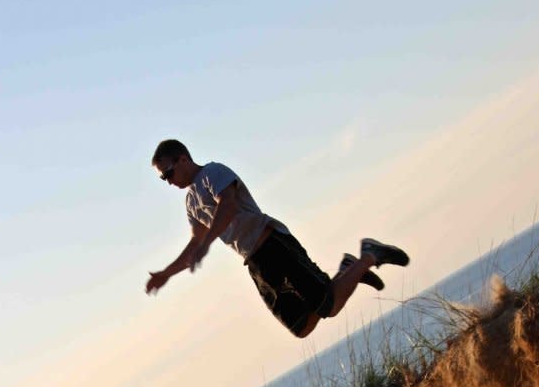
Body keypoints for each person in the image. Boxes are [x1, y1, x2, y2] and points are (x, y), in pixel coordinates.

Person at [145, 140, 410, 338]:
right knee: (301, 326)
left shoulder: (212, 173)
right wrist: (167, 274)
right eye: (162, 178)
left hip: (273, 244)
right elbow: (195, 243)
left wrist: (207, 243)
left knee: (328, 305)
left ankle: (369, 255)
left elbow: (228, 206)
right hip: (255, 262)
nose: (168, 181)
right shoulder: (191, 202)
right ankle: (349, 271)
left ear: (182, 159)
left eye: (168, 173)